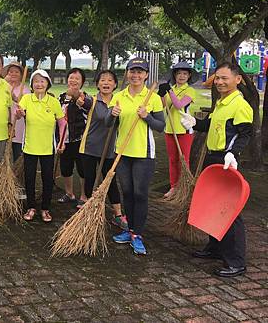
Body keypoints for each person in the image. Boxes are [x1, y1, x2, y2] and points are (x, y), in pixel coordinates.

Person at [181, 62, 252, 277]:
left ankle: (236, 261)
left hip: (226, 161)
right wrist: (194, 122)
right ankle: (215, 247)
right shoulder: (222, 102)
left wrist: (234, 154)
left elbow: (245, 133)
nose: (220, 82)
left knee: (230, 211)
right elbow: (211, 125)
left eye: (224, 78)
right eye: (217, 78)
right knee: (212, 205)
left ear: (237, 79)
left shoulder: (240, 105)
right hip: (212, 158)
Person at [107, 57, 165, 255]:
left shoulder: (153, 98)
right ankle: (130, 230)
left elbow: (161, 126)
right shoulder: (119, 96)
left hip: (144, 154)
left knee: (140, 194)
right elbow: (109, 125)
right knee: (128, 193)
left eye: (140, 72)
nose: (136, 75)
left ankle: (138, 234)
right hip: (122, 153)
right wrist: (111, 114)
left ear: (146, 75)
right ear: (127, 73)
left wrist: (147, 116)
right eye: (132, 71)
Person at [79, 70, 128, 230]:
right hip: (90, 147)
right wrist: (77, 97)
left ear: (115, 84)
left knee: (111, 181)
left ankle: (118, 214)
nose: (106, 83)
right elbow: (81, 101)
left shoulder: (121, 101)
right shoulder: (92, 100)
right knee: (90, 179)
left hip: (110, 149)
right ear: (98, 84)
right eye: (102, 80)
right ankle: (90, 210)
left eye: (110, 80)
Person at [16, 70, 65, 222]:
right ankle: (31, 207)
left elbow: (62, 122)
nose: (39, 84)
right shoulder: (26, 98)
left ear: (48, 84)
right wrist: (19, 114)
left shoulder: (53, 101)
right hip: (30, 146)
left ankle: (45, 208)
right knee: (29, 178)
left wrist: (62, 142)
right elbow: (19, 113)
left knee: (47, 179)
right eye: (36, 81)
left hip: (48, 148)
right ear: (31, 84)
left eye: (42, 81)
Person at [157, 61, 196, 199]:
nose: (181, 76)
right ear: (175, 75)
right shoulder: (171, 88)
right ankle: (174, 187)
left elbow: (179, 105)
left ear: (189, 75)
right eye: (179, 73)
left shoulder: (190, 90)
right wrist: (161, 94)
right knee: (172, 160)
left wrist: (170, 91)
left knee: (183, 160)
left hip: (184, 130)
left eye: (185, 73)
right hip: (170, 129)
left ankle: (184, 188)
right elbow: (162, 106)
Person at [57, 68, 88, 206]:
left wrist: (76, 98)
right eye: (71, 77)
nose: (73, 80)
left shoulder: (85, 98)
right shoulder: (61, 97)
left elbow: (88, 114)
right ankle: (69, 193)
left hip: (80, 139)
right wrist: (58, 141)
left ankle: (84, 195)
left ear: (82, 82)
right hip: (65, 140)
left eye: (77, 78)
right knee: (66, 168)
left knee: (82, 169)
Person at [2, 61, 30, 162]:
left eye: (16, 72)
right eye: (11, 72)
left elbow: (23, 105)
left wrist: (14, 97)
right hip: (4, 125)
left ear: (21, 75)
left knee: (17, 155)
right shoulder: (2, 87)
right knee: (3, 156)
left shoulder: (25, 90)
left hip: (19, 126)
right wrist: (4, 84)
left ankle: (17, 176)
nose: (13, 74)